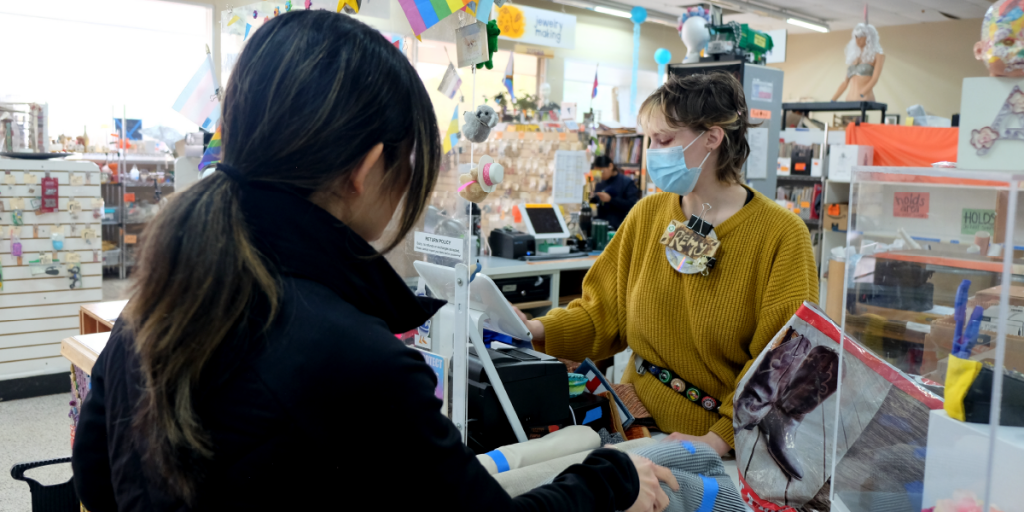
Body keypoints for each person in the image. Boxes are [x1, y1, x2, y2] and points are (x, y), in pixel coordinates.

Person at [71, 11, 677, 512]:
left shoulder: (164, 300)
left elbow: (97, 476)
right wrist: (609, 481)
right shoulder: (350, 356)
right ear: (365, 169)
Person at [517, 72, 818, 457]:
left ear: (712, 138)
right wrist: (532, 329)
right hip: (629, 424)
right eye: (649, 140)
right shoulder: (647, 215)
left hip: (717, 449)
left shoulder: (780, 235)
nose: (652, 153)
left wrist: (720, 439)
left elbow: (783, 363)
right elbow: (601, 315)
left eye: (664, 140)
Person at [831, 23, 885, 102]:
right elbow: (845, 83)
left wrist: (862, 93)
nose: (858, 39)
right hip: (849, 100)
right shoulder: (854, 58)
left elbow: (875, 79)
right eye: (856, 37)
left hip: (865, 98)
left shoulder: (878, 56)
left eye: (861, 36)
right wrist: (833, 99)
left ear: (868, 37)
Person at [590, 155, 640, 230]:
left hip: (619, 228)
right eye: (597, 172)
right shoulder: (600, 182)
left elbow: (632, 205)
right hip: (600, 226)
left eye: (601, 171)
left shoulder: (626, 182)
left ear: (610, 166)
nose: (599, 174)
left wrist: (611, 200)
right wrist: (593, 199)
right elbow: (595, 203)